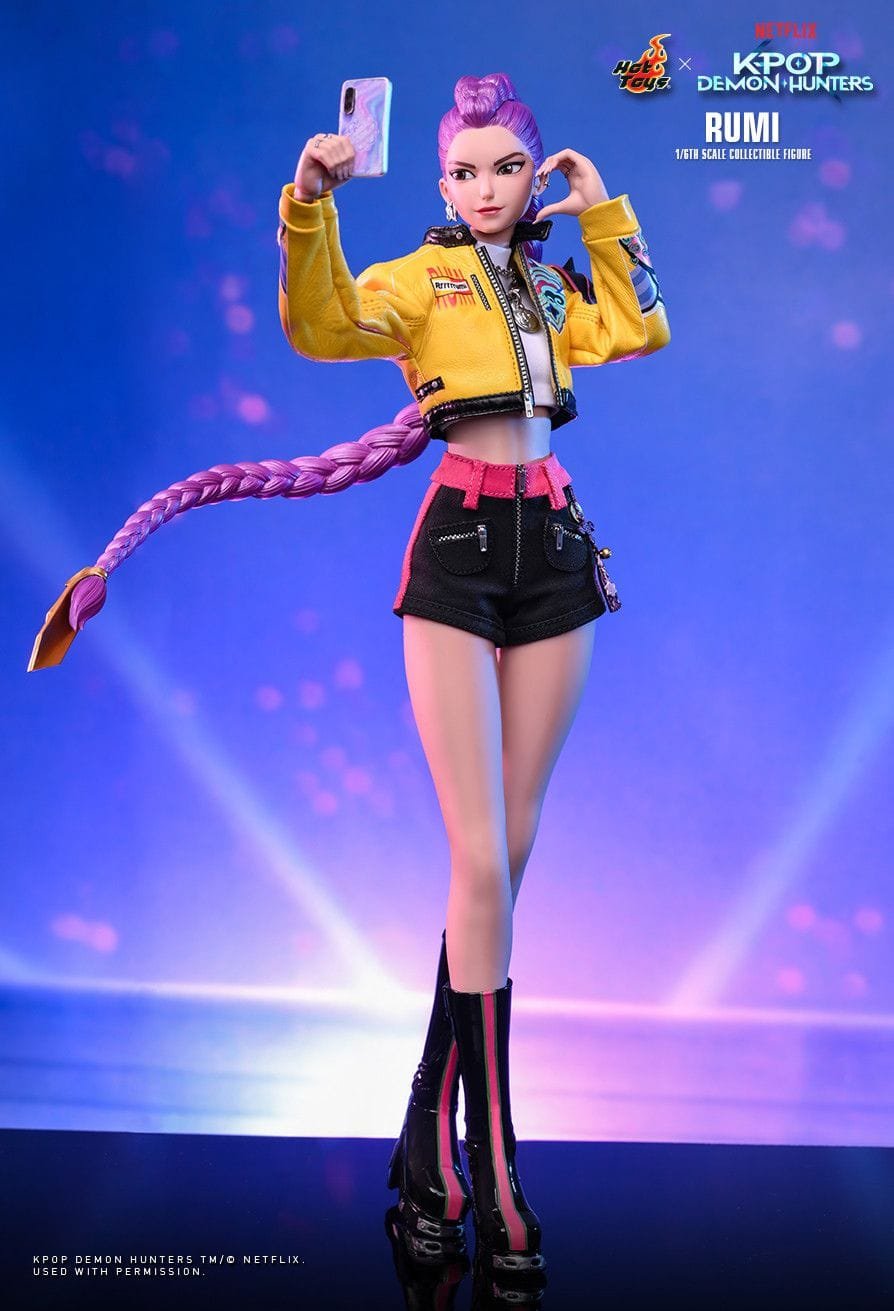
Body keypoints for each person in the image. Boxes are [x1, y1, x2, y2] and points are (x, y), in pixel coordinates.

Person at [27, 69, 669, 1284]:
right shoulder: (419, 281)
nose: (487, 189)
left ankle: (429, 1138)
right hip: (459, 551)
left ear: (531, 174)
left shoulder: (551, 283)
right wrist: (309, 203)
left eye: (507, 168)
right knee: (479, 861)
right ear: (440, 182)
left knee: (508, 856)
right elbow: (320, 326)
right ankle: (497, 1168)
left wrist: (607, 215)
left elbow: (637, 328)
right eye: (465, 171)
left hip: (556, 550)